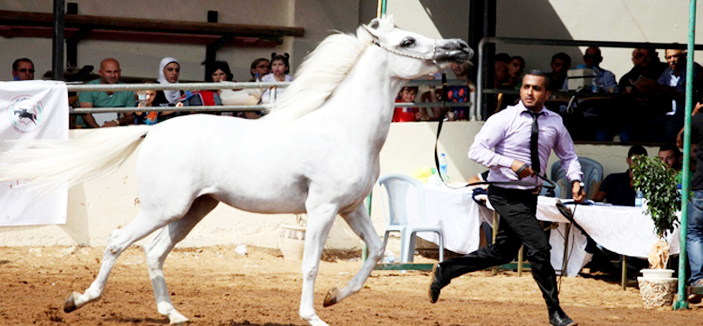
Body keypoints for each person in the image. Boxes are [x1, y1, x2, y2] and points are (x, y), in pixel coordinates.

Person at [429, 70, 584, 326]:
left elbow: (568, 156)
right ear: (521, 89)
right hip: (503, 193)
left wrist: (576, 180)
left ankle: (446, 271)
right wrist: (510, 163)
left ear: (547, 93)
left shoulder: (555, 122)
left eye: (536, 88)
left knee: (502, 253)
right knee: (540, 247)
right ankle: (555, 312)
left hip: (528, 196)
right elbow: (476, 150)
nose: (530, 92)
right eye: (526, 87)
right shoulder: (504, 118)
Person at [650, 48, 703, 143]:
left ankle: (676, 152)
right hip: (673, 112)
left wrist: (662, 88)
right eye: (669, 57)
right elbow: (657, 87)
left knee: (670, 126)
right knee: (653, 124)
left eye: (675, 56)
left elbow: (686, 90)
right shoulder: (668, 71)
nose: (672, 60)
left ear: (685, 56)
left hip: (690, 112)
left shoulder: (693, 69)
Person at [77, 58, 135, 128]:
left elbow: (130, 116)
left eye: (116, 72)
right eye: (108, 72)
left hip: (114, 129)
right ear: (100, 72)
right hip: (86, 128)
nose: (113, 75)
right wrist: (98, 131)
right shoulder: (89, 87)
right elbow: (86, 114)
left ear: (120, 72)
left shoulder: (127, 89)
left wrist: (117, 122)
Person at [152, 56, 183, 121]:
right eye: (170, 69)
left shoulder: (180, 89)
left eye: (177, 70)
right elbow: (153, 113)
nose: (174, 73)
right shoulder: (155, 88)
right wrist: (175, 109)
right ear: (162, 71)